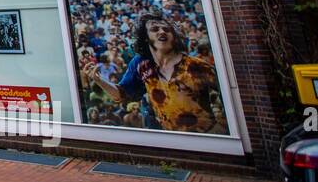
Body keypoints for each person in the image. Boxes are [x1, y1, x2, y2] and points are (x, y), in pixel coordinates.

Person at [91, 11, 227, 134]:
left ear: (173, 36)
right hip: (171, 139)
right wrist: (98, 80)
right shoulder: (141, 64)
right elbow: (121, 94)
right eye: (155, 29)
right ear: (145, 38)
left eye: (166, 29)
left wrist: (223, 129)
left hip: (208, 137)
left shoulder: (196, 66)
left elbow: (229, 98)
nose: (162, 31)